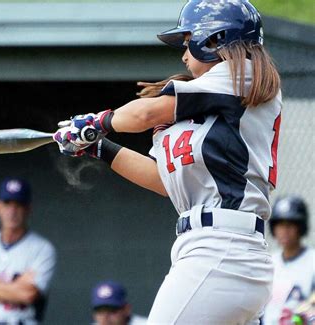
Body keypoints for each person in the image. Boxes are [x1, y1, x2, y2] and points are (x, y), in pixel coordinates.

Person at [54, 1, 281, 323]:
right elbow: (162, 180)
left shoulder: (242, 73)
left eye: (189, 42)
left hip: (223, 248)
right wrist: (97, 147)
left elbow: (144, 114)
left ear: (214, 38)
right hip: (209, 249)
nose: (184, 53)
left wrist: (95, 122)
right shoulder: (201, 109)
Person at [0, 177, 57, 324]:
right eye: (7, 203)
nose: (12, 211)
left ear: (28, 208)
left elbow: (28, 294)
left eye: (18, 204)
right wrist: (16, 288)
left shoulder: (43, 249)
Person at [263, 196, 314, 325]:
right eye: (280, 225)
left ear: (300, 227)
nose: (284, 231)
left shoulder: (312, 261)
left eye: (290, 225)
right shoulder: (269, 262)